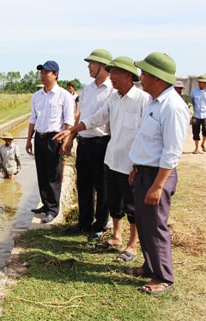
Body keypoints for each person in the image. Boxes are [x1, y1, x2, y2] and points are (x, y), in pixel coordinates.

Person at [55, 56, 149, 262]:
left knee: (131, 204)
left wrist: (139, 162)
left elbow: (146, 133)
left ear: (127, 75)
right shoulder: (114, 98)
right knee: (114, 200)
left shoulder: (143, 100)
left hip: (131, 161)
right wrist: (72, 131)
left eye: (114, 72)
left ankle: (132, 245)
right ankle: (116, 237)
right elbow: (96, 118)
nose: (111, 77)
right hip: (112, 158)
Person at [126, 52, 189, 294]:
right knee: (143, 222)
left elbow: (172, 153)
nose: (141, 77)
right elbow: (146, 142)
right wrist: (136, 167)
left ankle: (164, 277)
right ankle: (150, 265)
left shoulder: (172, 107)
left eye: (145, 73)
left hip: (157, 175)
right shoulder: (154, 103)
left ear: (159, 78)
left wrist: (158, 185)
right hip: (144, 172)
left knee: (155, 226)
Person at [68, 49, 114, 241]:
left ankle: (100, 224)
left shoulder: (112, 91)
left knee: (102, 186)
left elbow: (102, 119)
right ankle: (84, 222)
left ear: (102, 66)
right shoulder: (87, 90)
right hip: (84, 142)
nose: (89, 67)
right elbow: (81, 115)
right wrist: (71, 136)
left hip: (101, 143)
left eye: (92, 64)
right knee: (83, 184)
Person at [26, 60, 75, 223]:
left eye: (46, 72)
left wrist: (65, 142)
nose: (42, 75)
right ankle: (45, 204)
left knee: (54, 174)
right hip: (39, 138)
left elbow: (69, 121)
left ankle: (53, 209)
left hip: (55, 138)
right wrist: (28, 140)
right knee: (42, 173)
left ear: (55, 74)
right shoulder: (37, 96)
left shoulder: (64, 96)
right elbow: (33, 119)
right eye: (41, 72)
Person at [190, 74, 206, 154]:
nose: (199, 84)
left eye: (201, 82)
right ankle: (196, 148)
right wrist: (191, 115)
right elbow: (190, 103)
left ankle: (203, 144)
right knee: (195, 132)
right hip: (196, 115)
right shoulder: (194, 91)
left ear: (205, 83)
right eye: (199, 82)